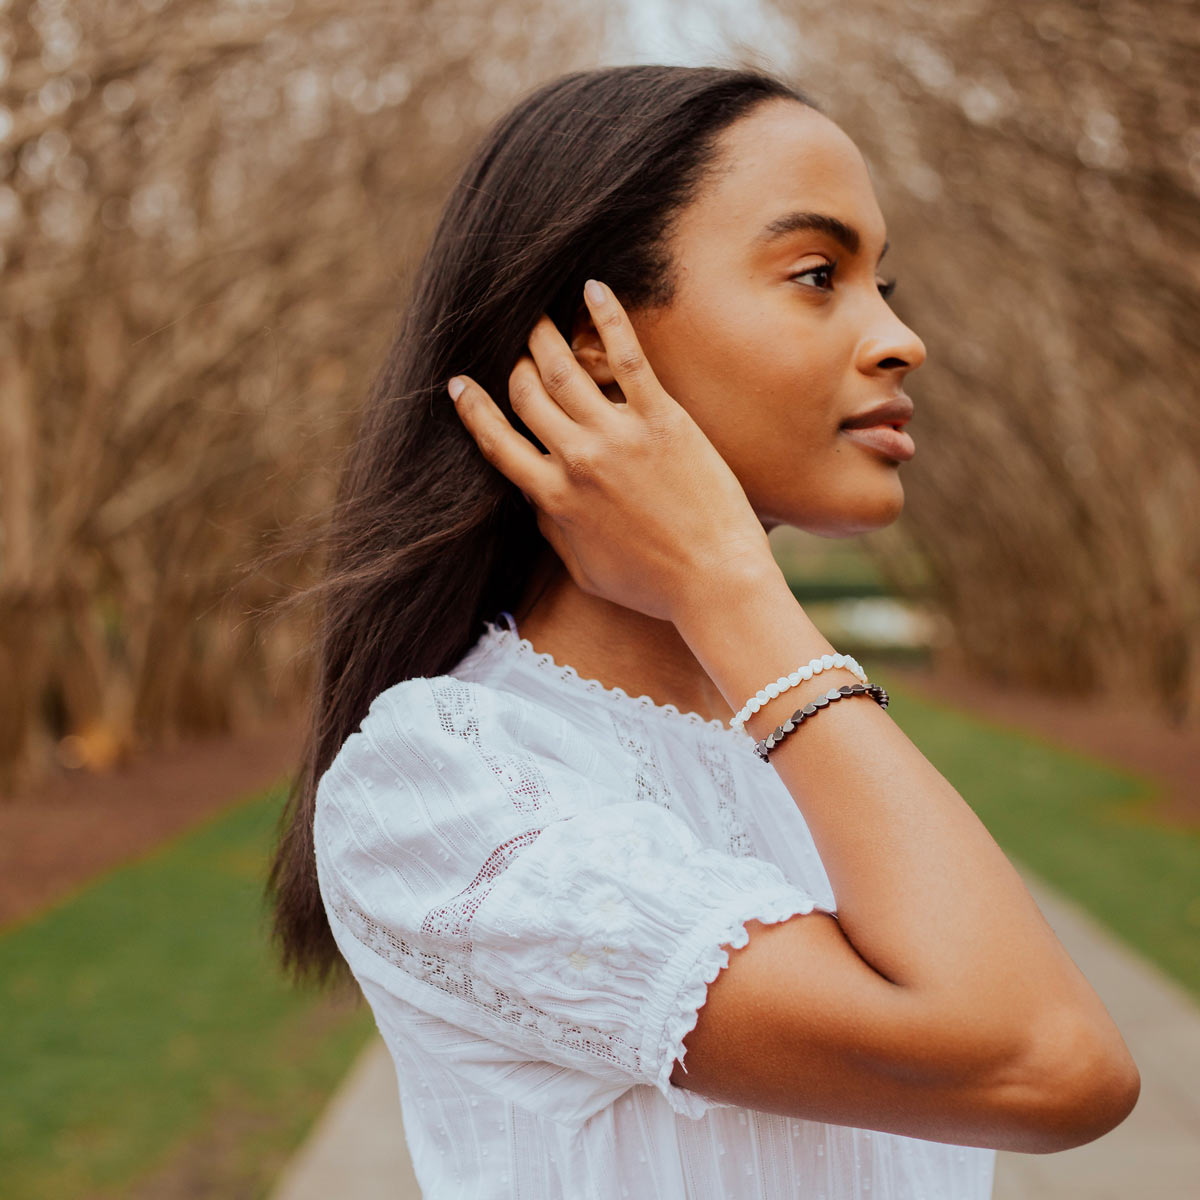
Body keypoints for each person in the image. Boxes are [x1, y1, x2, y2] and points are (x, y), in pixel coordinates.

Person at [268, 64, 1139, 1199]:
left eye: (885, 284)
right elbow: (1050, 1063)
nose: (902, 339)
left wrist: (742, 616)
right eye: (818, 274)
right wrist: (730, 584)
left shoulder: (787, 726)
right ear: (590, 343)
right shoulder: (447, 787)